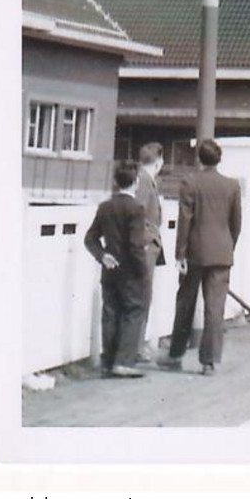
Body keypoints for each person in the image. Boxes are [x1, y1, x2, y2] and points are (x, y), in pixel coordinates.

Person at [157, 138, 242, 376]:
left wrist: (180, 253)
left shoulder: (190, 183)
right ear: (219, 159)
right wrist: (228, 246)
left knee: (185, 303)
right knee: (215, 308)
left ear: (199, 158)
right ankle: (209, 362)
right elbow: (237, 224)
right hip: (222, 253)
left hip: (195, 253)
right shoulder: (232, 185)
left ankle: (175, 355)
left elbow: (185, 221)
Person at [82, 161, 151, 378]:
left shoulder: (105, 207)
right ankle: (123, 362)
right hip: (131, 270)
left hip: (110, 269)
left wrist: (102, 256)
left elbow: (90, 238)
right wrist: (143, 270)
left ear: (115, 181)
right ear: (136, 182)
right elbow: (135, 245)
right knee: (134, 312)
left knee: (110, 313)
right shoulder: (137, 208)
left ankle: (108, 362)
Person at [132, 142, 167, 362]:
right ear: (159, 162)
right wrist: (145, 242)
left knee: (142, 296)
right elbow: (137, 213)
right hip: (145, 247)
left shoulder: (143, 179)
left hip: (145, 246)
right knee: (142, 296)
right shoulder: (145, 181)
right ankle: (136, 347)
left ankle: (136, 345)